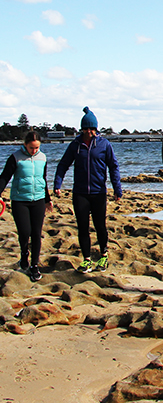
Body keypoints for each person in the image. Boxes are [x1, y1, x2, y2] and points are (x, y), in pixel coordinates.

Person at [54, 107, 122, 273]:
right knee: (82, 227)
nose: (89, 132)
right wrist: (57, 184)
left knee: (100, 226)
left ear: (96, 129)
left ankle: (104, 255)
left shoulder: (104, 145)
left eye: (92, 129)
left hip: (99, 193)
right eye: (86, 129)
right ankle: (86, 260)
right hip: (80, 193)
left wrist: (117, 189)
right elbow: (63, 164)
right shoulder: (75, 145)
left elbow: (113, 167)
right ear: (81, 129)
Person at [0, 131, 53, 282]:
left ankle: (34, 266)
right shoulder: (15, 158)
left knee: (36, 234)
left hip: (38, 200)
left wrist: (48, 199)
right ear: (25, 144)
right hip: (20, 200)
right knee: (24, 232)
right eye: (31, 148)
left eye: (37, 148)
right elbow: (5, 177)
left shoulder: (42, 158)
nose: (34, 151)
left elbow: (43, 179)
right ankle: (24, 254)